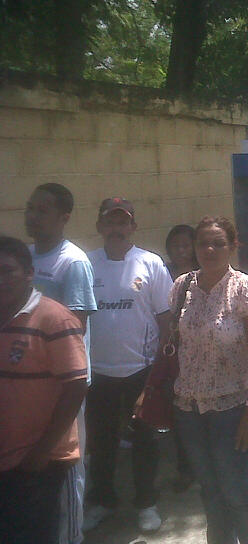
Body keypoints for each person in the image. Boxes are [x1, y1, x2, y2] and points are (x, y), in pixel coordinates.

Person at [171, 216, 248, 544]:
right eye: (203, 243)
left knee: (239, 494)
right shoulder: (181, 286)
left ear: (232, 246)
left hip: (232, 410)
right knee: (211, 493)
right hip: (189, 410)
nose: (210, 249)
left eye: (218, 242)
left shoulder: (245, 289)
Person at [84, 198, 173, 533]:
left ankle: (147, 503)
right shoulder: (87, 264)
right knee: (101, 442)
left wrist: (160, 369)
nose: (117, 229)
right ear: (99, 226)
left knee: (145, 442)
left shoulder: (150, 264)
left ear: (133, 227)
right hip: (98, 372)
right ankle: (103, 500)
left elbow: (166, 320)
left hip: (141, 371)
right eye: (110, 222)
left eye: (123, 223)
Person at [0, 237, 88, 544]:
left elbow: (76, 388)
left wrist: (41, 452)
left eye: (6, 271)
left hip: (40, 463)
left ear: (29, 273)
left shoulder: (54, 318)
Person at [23, 183, 96, 544]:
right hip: (26, 380)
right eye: (30, 208)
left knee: (67, 460)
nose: (32, 216)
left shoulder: (73, 261)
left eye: (42, 210)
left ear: (64, 217)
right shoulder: (25, 257)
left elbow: (76, 327)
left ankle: (71, 534)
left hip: (62, 381)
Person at [164, 224, 200, 492]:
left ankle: (204, 464)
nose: (180, 250)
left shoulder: (203, 276)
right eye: (175, 245)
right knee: (180, 414)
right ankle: (186, 467)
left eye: (186, 245)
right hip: (172, 353)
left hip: (201, 354)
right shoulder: (160, 273)